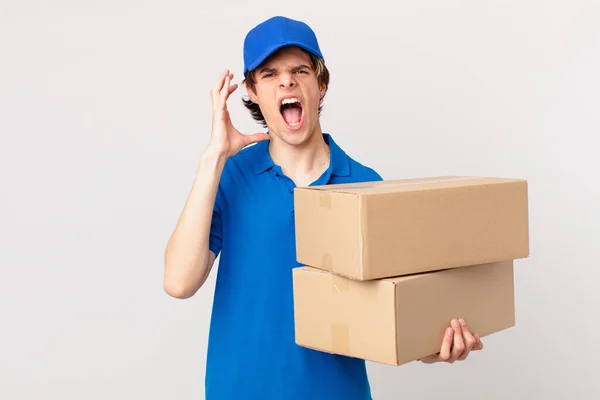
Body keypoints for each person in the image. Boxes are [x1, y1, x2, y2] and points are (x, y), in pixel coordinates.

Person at [163, 15, 484, 400]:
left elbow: (395, 314)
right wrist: (213, 158)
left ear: (321, 84)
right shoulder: (229, 177)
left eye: (300, 70)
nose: (287, 81)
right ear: (251, 91)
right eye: (270, 74)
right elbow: (179, 283)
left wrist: (438, 346)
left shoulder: (365, 185)